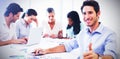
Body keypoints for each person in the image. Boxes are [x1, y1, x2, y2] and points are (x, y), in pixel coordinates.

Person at [33, 1, 117, 59]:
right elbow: (67, 46)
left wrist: (98, 57)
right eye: (84, 13)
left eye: (90, 12)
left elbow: (111, 56)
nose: (87, 17)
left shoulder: (110, 34)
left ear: (98, 13)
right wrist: (46, 50)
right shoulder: (83, 33)